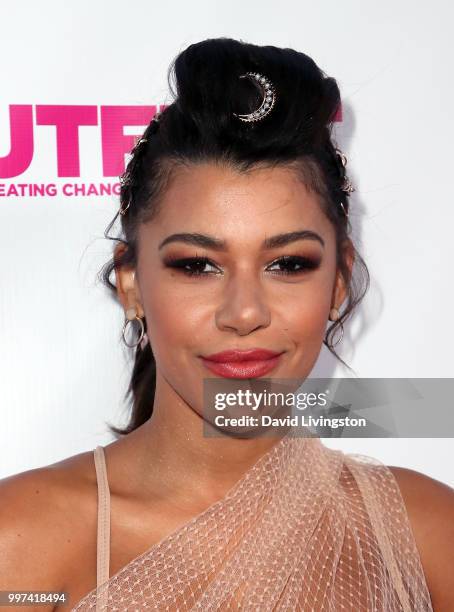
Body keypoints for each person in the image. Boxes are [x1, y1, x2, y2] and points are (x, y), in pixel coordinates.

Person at [1, 37, 453, 611]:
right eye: (197, 265)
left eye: (289, 264)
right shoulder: (18, 545)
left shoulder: (426, 537)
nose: (245, 313)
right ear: (132, 282)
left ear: (338, 281)